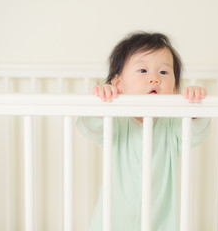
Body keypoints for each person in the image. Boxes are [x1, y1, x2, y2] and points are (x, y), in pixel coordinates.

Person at [77, 31, 211, 231]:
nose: (154, 79)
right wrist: (101, 105)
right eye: (143, 71)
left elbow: (197, 133)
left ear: (175, 86)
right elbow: (89, 126)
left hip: (161, 222)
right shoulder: (116, 123)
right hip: (112, 222)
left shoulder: (173, 125)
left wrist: (194, 108)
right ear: (118, 83)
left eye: (164, 72)